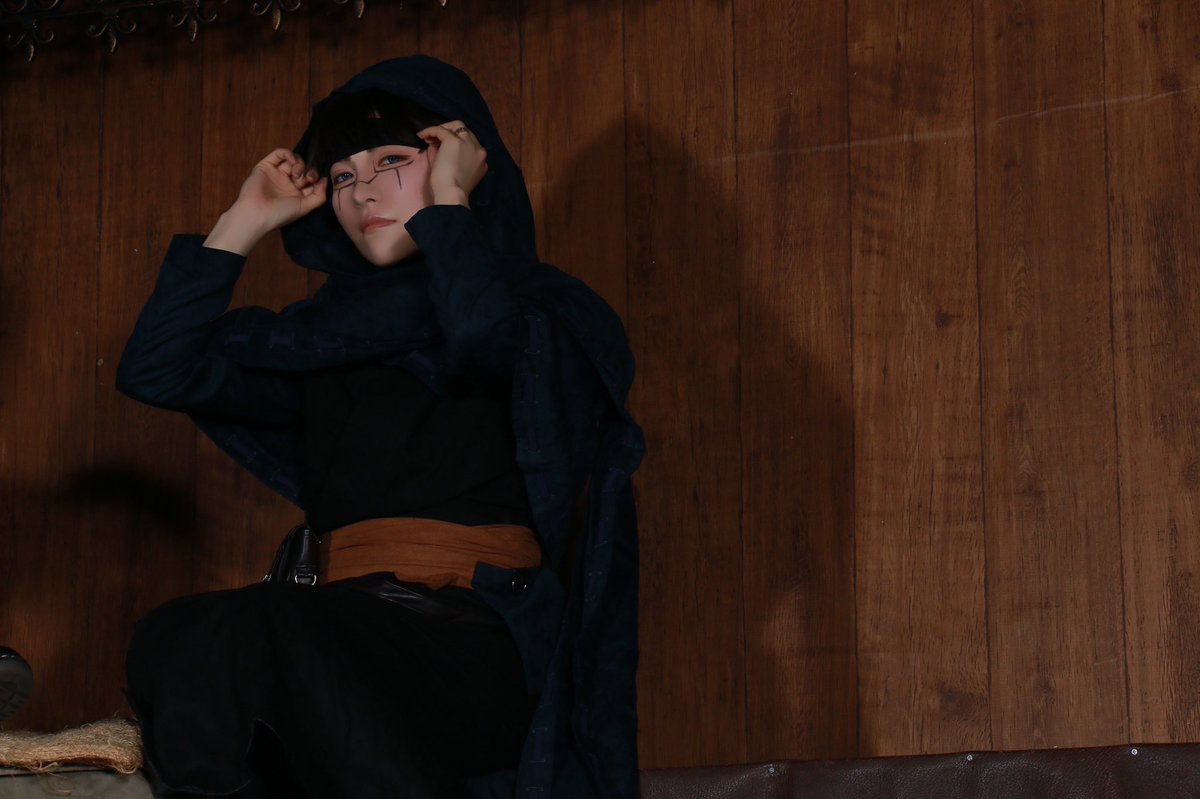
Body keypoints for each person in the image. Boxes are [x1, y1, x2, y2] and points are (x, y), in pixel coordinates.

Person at [116, 56, 643, 799]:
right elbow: (156, 370)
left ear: (463, 160)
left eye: (393, 160)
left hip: (478, 641)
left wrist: (452, 205)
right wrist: (244, 221)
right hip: (335, 636)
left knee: (274, 631)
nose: (363, 191)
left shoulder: (540, 311)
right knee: (171, 636)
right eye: (342, 175)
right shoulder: (317, 341)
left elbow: (483, 339)